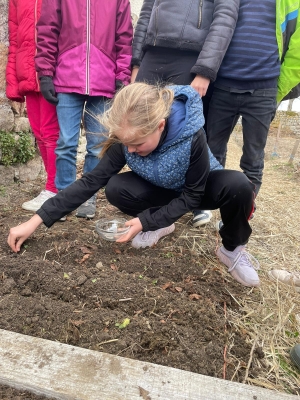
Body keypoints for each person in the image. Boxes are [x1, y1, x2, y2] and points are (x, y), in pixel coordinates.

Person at [8, 83, 260, 288]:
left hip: (196, 189)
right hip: (162, 190)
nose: (130, 151)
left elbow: (192, 197)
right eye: (125, 144)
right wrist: (36, 221)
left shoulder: (191, 135)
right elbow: (90, 181)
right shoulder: (126, 139)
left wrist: (143, 222)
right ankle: (163, 222)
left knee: (238, 185)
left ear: (160, 126)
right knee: (116, 187)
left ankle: (231, 249)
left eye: (137, 144)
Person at [130, 0, 240, 228]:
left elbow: (225, 16)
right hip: (153, 50)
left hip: (192, 53)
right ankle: (157, 205)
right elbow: (146, 13)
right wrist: (136, 62)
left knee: (185, 131)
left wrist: (205, 70)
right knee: (143, 125)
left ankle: (194, 200)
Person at [34, 0, 133, 219]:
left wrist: (122, 75)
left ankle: (87, 197)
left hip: (104, 81)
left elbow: (124, 38)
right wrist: (45, 74)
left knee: (97, 146)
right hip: (67, 77)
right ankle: (64, 198)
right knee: (66, 143)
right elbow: (47, 31)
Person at [207, 0, 300, 199]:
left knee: (253, 158)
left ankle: (242, 212)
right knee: (212, 149)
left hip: (264, 90)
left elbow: (297, 52)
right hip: (223, 85)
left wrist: (277, 90)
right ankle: (207, 202)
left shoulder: (291, 3)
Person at [6, 0, 60, 211]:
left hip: (52, 72)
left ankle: (54, 188)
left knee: (50, 132)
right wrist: (13, 81)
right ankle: (52, 187)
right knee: (39, 133)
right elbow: (15, 40)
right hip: (27, 72)